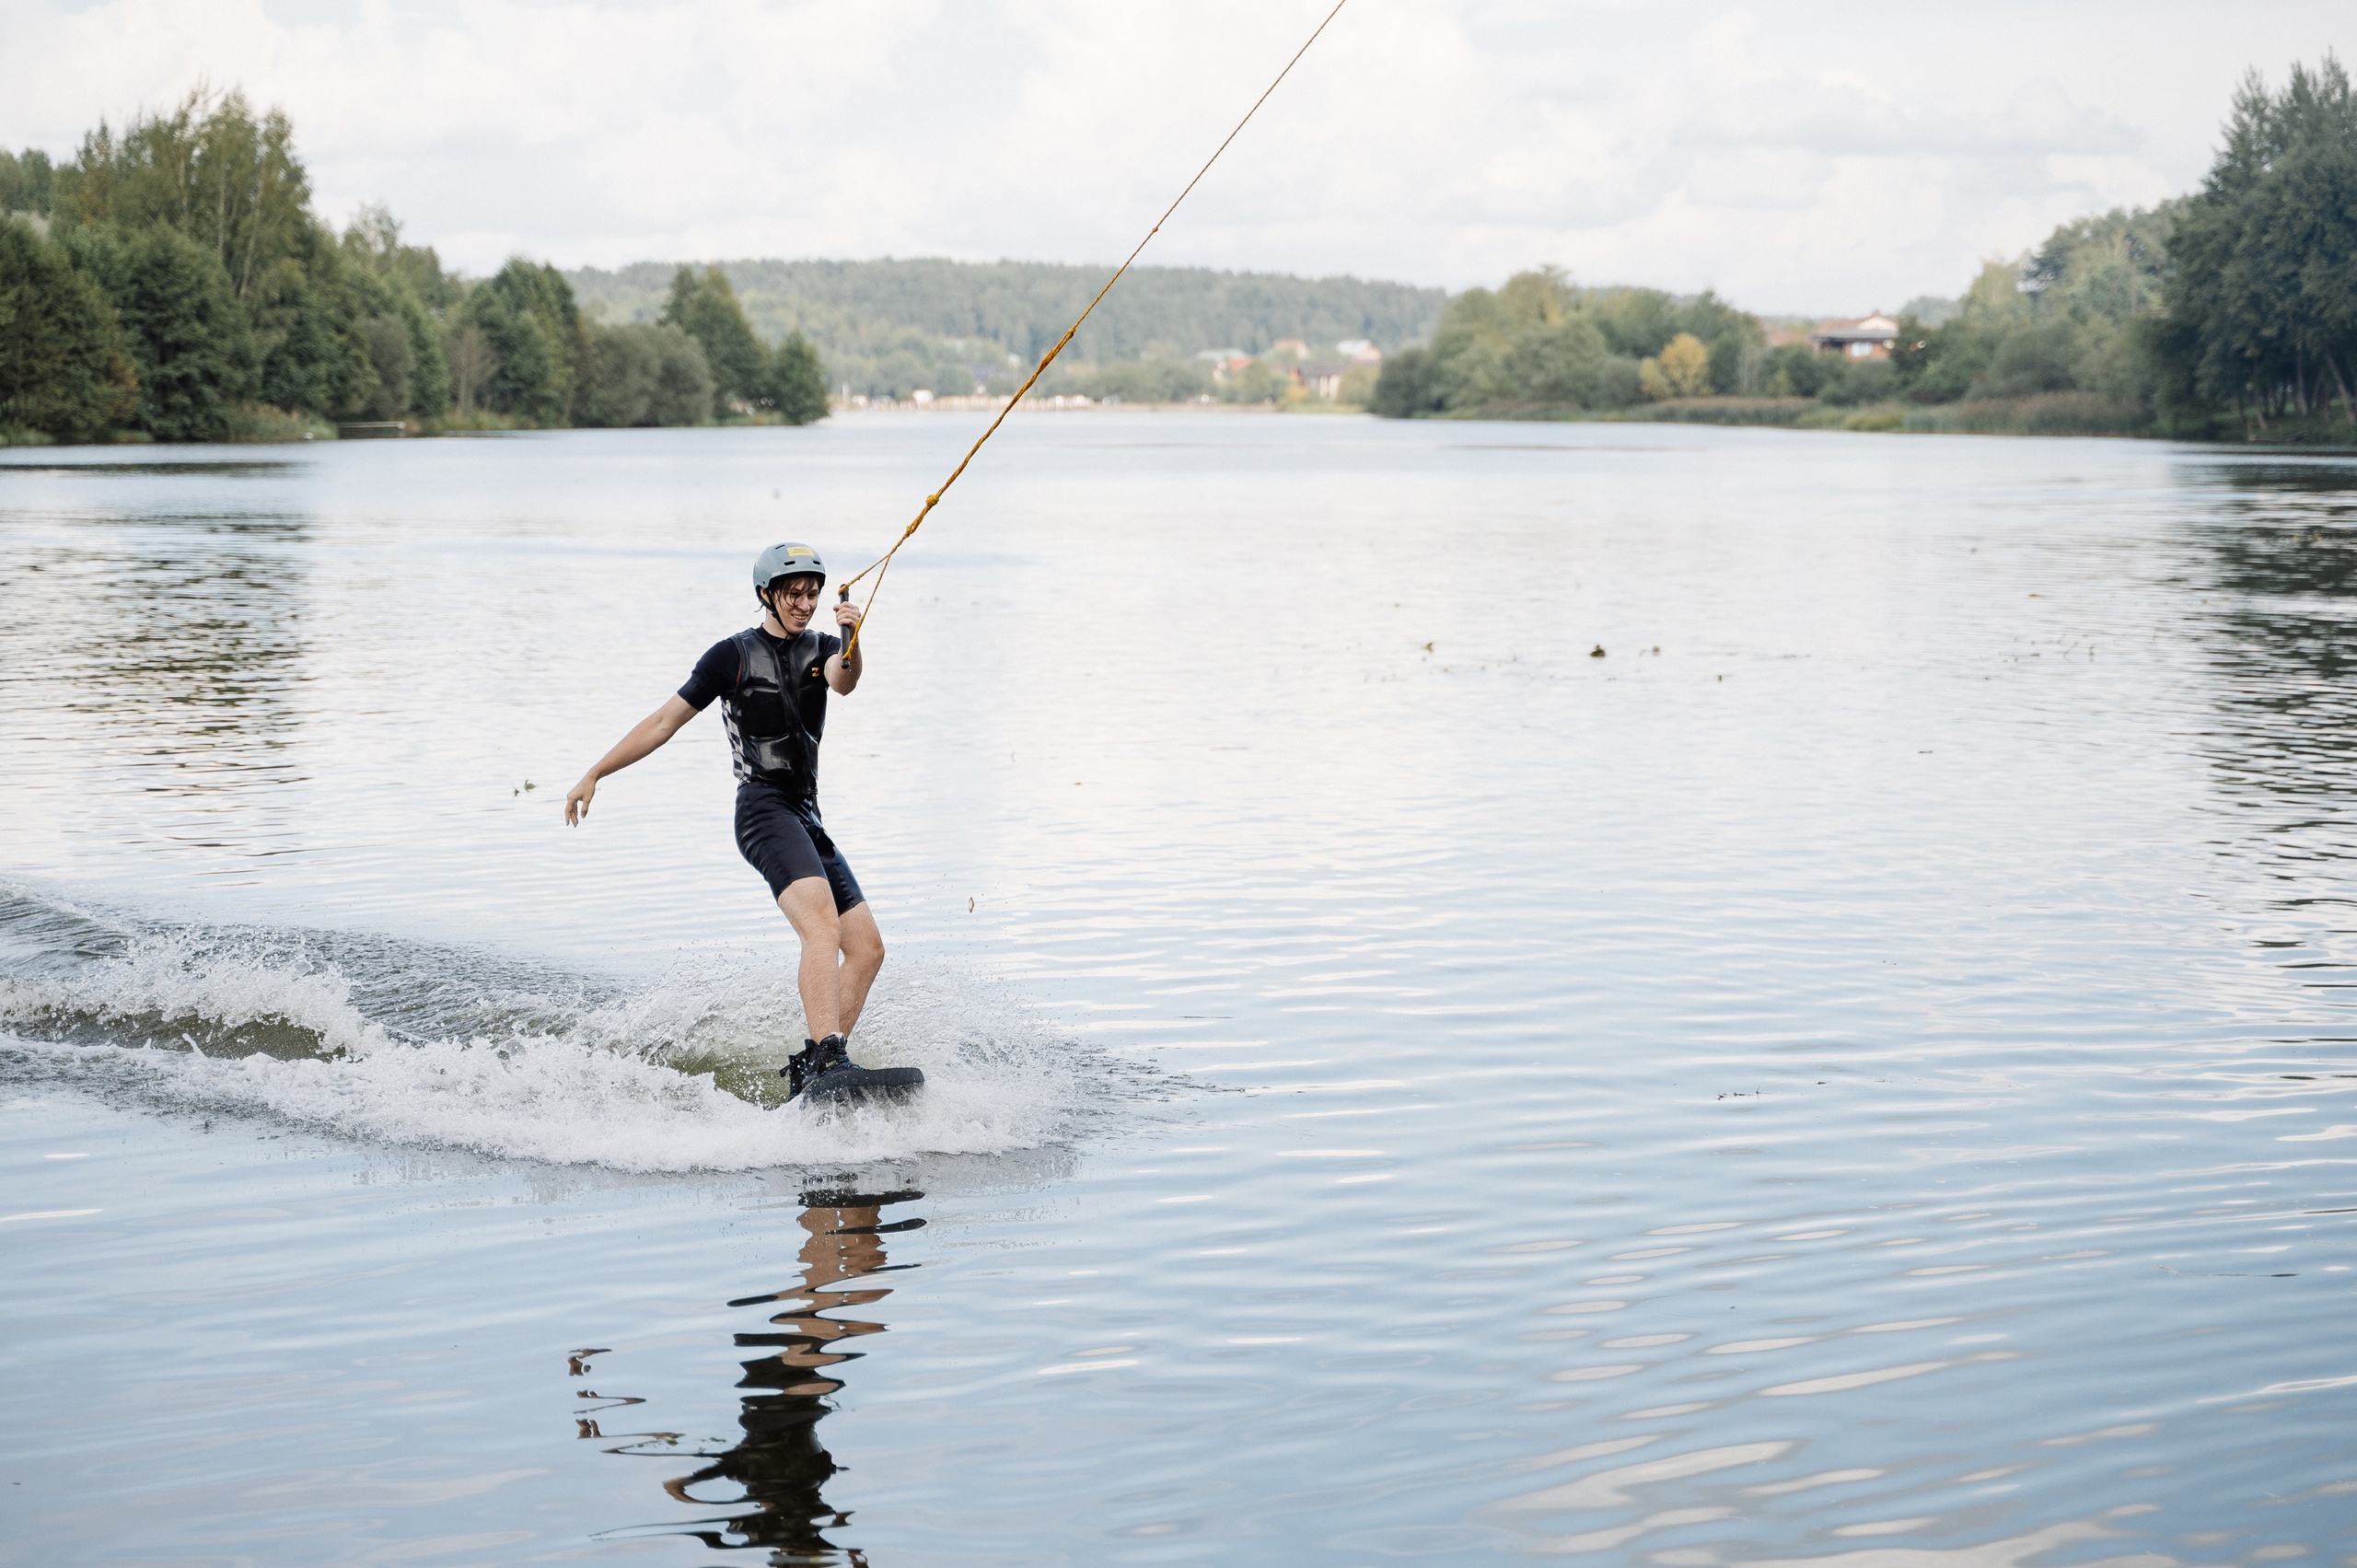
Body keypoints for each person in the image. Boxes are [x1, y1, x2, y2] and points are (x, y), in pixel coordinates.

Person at [563, 542, 918, 1102]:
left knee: (868, 948)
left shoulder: (828, 647)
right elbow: (662, 722)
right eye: (793, 594)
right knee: (821, 927)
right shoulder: (729, 657)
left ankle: (818, 1071)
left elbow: (844, 680)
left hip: (807, 813)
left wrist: (853, 636)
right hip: (761, 809)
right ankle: (828, 1059)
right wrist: (596, 772)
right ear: (766, 596)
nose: (805, 603)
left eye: (813, 593)